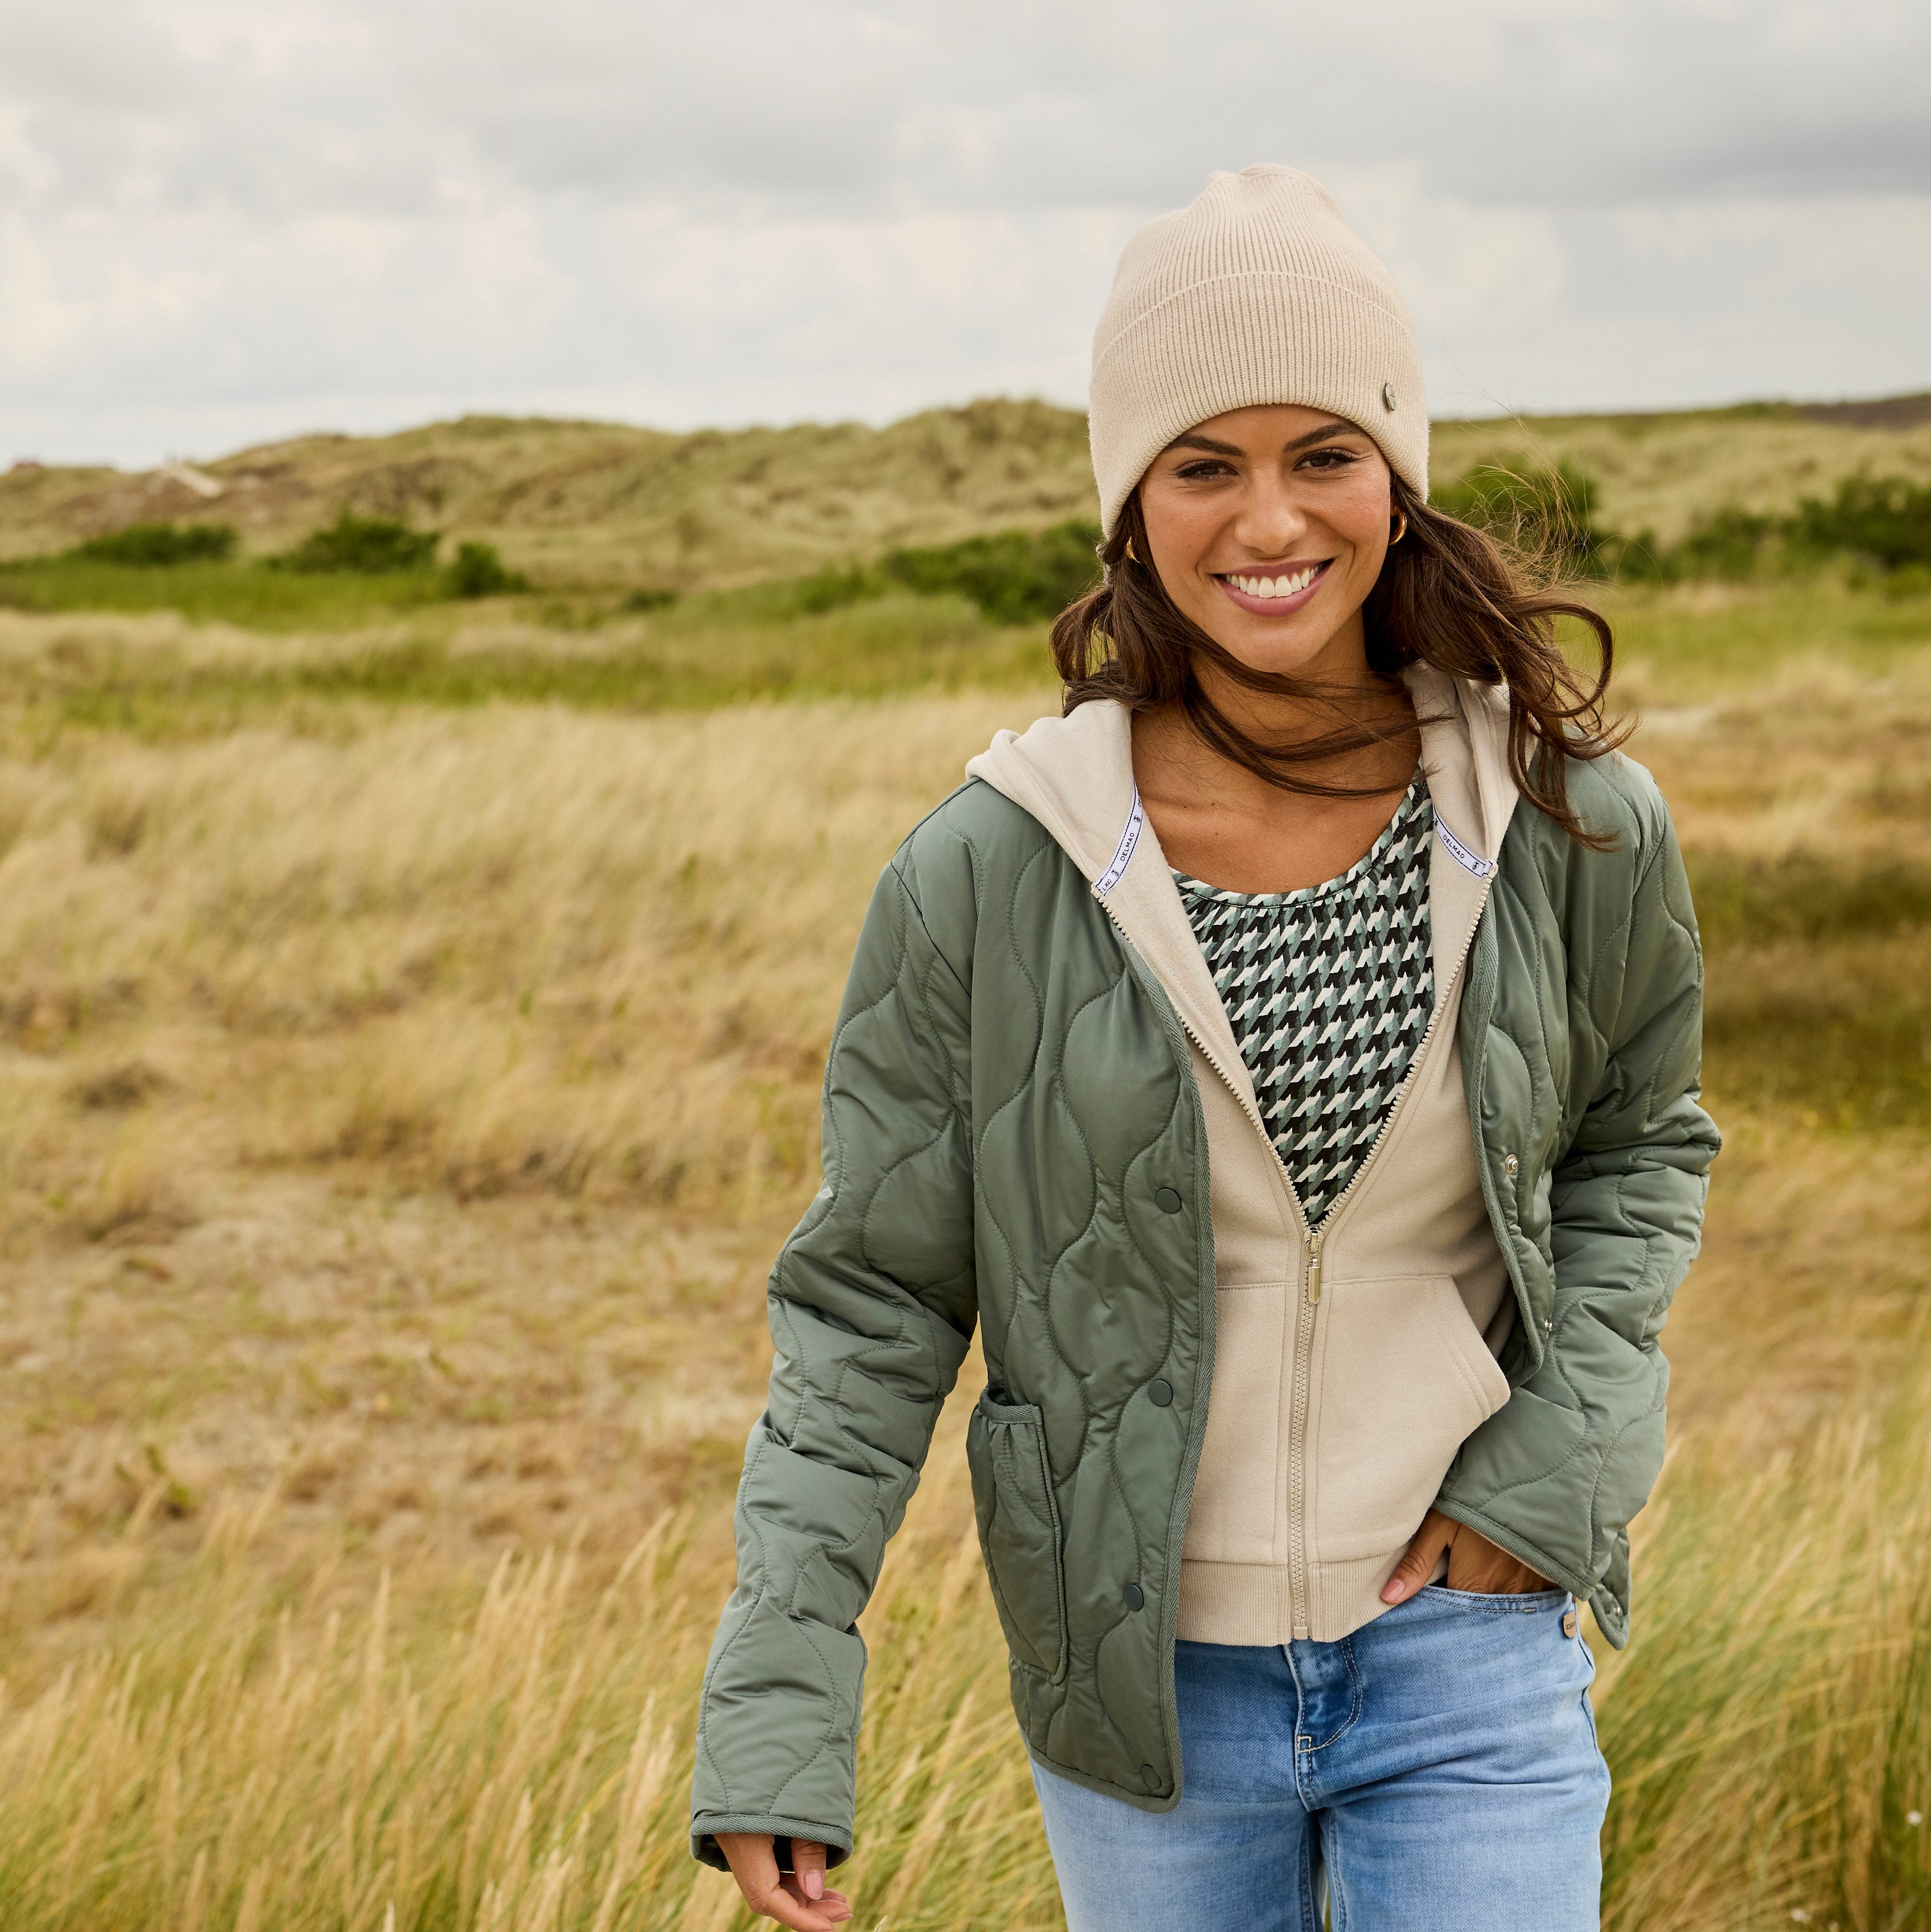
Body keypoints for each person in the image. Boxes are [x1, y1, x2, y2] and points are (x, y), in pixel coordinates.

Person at [687, 166, 1718, 1931]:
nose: (1270, 519)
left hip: (1468, 1647)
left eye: (1324, 453)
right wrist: (780, 1709)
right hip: (1142, 1692)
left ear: (1397, 479)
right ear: (1129, 506)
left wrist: (1552, 1478)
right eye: (1202, 465)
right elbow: (870, 1307)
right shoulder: (994, 867)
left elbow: (1642, 1149)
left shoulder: (1569, 820)